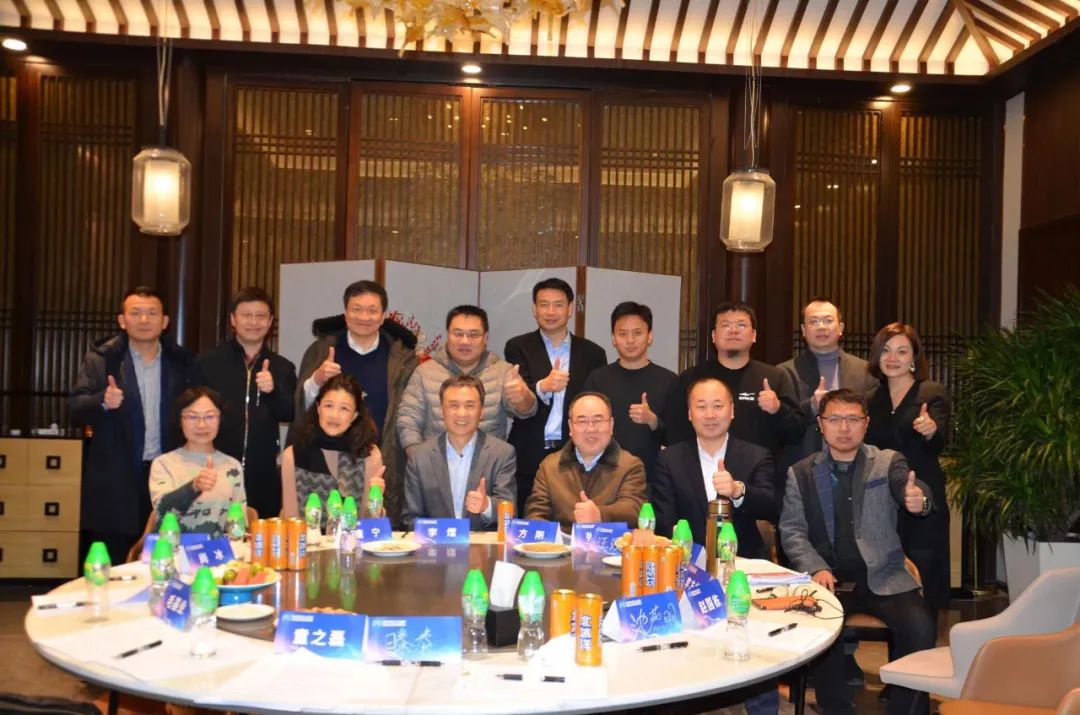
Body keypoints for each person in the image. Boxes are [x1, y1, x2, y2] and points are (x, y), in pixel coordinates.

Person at [779, 388, 937, 715]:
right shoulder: (801, 472)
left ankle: (905, 710)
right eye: (835, 419)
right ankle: (837, 710)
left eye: (852, 419)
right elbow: (792, 531)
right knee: (822, 632)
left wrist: (918, 499)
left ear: (866, 424)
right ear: (821, 424)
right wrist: (815, 566)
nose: (844, 428)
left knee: (920, 628)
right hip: (830, 579)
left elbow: (909, 486)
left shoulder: (887, 461)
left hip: (885, 575)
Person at [69, 286, 193, 564]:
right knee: (114, 564)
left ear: (165, 321)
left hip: (167, 474)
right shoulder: (101, 360)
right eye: (136, 313)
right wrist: (102, 401)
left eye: (152, 313)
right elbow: (75, 410)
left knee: (164, 559)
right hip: (115, 478)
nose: (144, 320)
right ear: (122, 320)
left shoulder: (182, 362)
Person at [293, 280, 418, 527]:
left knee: (376, 529)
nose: (364, 317)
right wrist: (317, 379)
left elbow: (410, 412)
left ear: (383, 316)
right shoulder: (321, 351)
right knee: (323, 528)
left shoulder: (402, 358)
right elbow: (301, 407)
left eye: (372, 310)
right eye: (356, 309)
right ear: (345, 313)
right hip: (325, 461)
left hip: (380, 458)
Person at [663, 301, 806, 499]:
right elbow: (674, 431)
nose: (733, 330)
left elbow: (797, 433)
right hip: (699, 480)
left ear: (754, 335)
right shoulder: (691, 378)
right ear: (713, 336)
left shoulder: (774, 378)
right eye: (725, 325)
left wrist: (778, 409)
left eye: (741, 325)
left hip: (758, 482)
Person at [865, 322, 951, 623]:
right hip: (881, 498)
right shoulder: (870, 399)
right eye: (886, 350)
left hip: (922, 495)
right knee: (887, 579)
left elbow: (940, 441)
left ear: (914, 357)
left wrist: (931, 430)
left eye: (902, 352)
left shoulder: (931, 393)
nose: (893, 358)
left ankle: (924, 643)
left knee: (924, 574)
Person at [192, 287, 296, 519]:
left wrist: (272, 391)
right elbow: (189, 414)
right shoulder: (208, 362)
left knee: (259, 531)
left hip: (263, 473)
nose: (253, 322)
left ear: (270, 321)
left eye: (260, 316)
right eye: (246, 315)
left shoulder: (282, 367)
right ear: (233, 319)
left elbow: (289, 412)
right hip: (215, 468)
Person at [506, 278, 607, 514]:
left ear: (570, 309)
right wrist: (544, 386)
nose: (550, 312)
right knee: (529, 519)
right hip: (529, 451)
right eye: (544, 304)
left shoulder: (593, 353)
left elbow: (597, 404)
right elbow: (518, 394)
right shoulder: (518, 346)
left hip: (575, 453)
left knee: (574, 518)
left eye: (558, 305)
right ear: (534, 309)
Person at [652, 377, 776, 558]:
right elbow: (664, 520)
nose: (710, 415)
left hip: (743, 562)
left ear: (732, 411)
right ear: (690, 413)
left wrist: (738, 491)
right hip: (687, 561)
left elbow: (771, 508)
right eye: (701, 407)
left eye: (718, 406)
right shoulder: (669, 459)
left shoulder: (756, 455)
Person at [397, 305, 536, 451]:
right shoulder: (424, 372)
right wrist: (419, 457)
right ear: (448, 335)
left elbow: (527, 411)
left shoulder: (503, 371)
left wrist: (522, 397)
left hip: (488, 460)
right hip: (436, 460)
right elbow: (408, 421)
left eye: (473, 335)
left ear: (486, 338)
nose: (465, 341)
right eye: (458, 334)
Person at [402, 375, 517, 530]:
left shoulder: (502, 453)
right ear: (442, 411)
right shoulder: (419, 456)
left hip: (482, 543)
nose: (462, 413)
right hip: (435, 542)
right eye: (453, 405)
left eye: (470, 405)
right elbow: (411, 517)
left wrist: (486, 506)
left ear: (482, 412)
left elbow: (510, 511)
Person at [582, 301, 678, 485]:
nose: (630, 340)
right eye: (623, 334)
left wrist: (653, 420)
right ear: (613, 339)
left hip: (653, 479)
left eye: (638, 333)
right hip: (604, 476)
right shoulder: (598, 380)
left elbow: (679, 438)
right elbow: (583, 428)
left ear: (650, 337)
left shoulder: (669, 381)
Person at [776, 298, 877, 467]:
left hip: (857, 466)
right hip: (804, 466)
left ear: (841, 328)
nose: (821, 327)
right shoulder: (784, 373)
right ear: (803, 330)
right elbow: (780, 427)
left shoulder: (866, 371)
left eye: (828, 320)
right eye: (813, 321)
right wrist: (811, 406)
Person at [524, 392, 646, 531]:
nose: (590, 429)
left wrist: (600, 515)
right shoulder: (549, 466)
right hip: (561, 543)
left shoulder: (630, 465)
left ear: (611, 425)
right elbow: (535, 513)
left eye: (598, 420)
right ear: (570, 427)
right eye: (582, 421)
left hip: (609, 543)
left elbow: (633, 511)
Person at [282, 374, 385, 521]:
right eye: (328, 406)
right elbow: (290, 519)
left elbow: (369, 523)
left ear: (355, 416)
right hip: (307, 535)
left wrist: (375, 501)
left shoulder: (369, 454)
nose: (334, 415)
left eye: (344, 409)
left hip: (353, 535)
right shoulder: (293, 455)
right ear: (318, 408)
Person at [149, 387, 246, 536]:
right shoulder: (163, 464)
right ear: (180, 421)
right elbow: (161, 510)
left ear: (220, 420)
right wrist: (194, 487)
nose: (201, 425)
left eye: (210, 416)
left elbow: (238, 527)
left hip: (218, 549)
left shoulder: (232, 467)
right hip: (175, 548)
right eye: (192, 417)